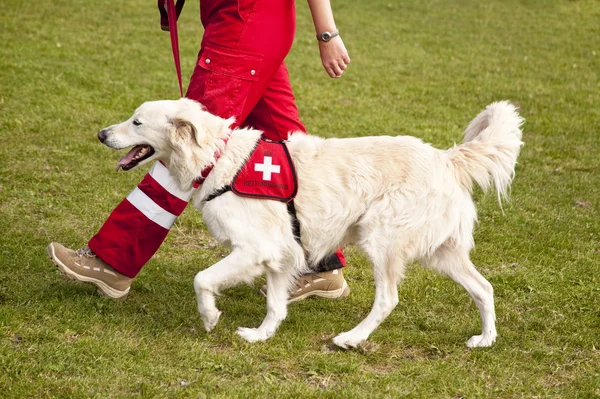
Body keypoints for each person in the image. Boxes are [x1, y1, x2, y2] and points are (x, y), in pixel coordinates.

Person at [47, 0, 352, 300]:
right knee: (283, 148)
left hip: (244, 20)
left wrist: (328, 33)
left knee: (185, 147)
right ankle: (320, 263)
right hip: (251, 22)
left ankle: (111, 261)